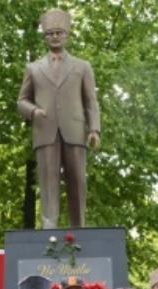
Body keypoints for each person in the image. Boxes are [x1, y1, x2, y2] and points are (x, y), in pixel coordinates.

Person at [17, 8, 100, 229]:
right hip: (45, 132)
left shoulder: (82, 66)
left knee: (77, 181)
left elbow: (91, 101)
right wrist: (33, 112)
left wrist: (94, 129)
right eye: (50, 33)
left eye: (58, 33)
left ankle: (78, 228)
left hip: (75, 131)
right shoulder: (33, 68)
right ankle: (49, 229)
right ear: (45, 37)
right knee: (47, 182)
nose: (54, 36)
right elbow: (21, 101)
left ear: (66, 35)